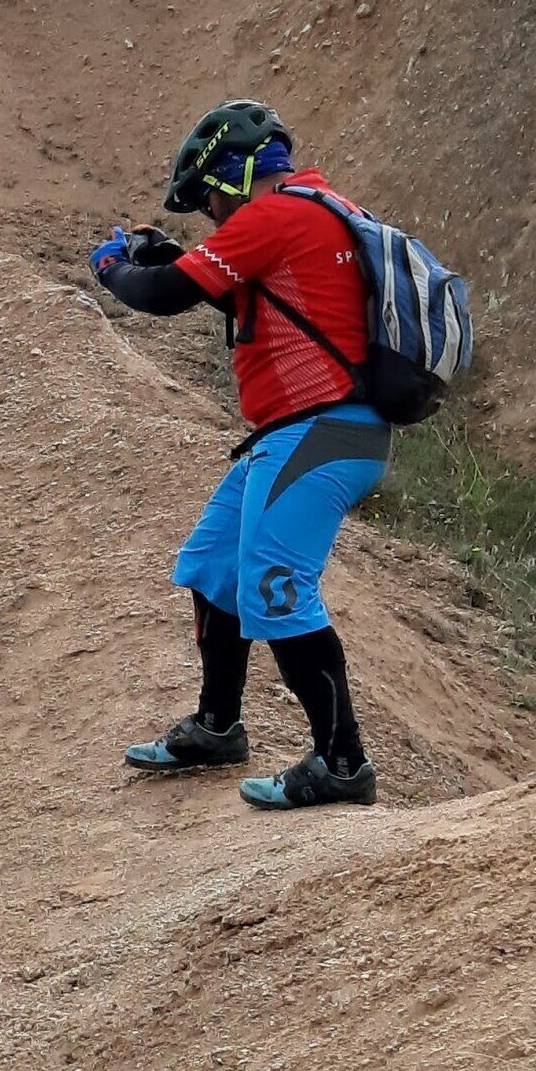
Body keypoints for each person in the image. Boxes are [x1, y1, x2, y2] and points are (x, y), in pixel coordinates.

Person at [90, 99, 388, 810]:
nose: (216, 216)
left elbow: (163, 294)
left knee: (277, 588)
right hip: (309, 430)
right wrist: (172, 258)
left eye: (213, 200)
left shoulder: (275, 213)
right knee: (214, 566)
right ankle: (218, 725)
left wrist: (112, 268)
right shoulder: (321, 208)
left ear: (237, 173)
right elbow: (270, 304)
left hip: (323, 429)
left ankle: (344, 763)